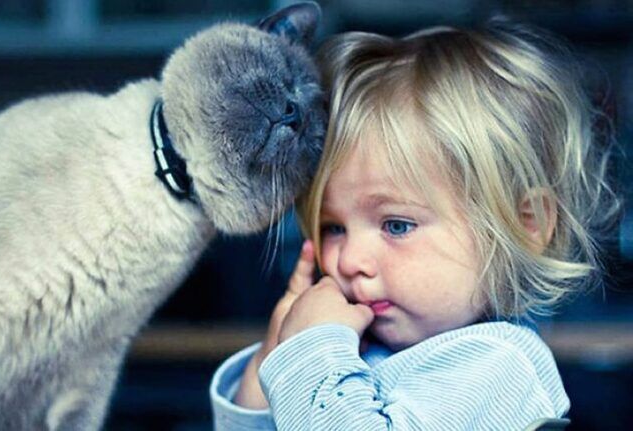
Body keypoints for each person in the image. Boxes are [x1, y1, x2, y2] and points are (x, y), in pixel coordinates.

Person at [210, 18, 620, 431]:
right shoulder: (349, 350)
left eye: (397, 225)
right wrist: (276, 352)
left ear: (525, 224)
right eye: (333, 227)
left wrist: (309, 351)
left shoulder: (499, 365)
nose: (349, 260)